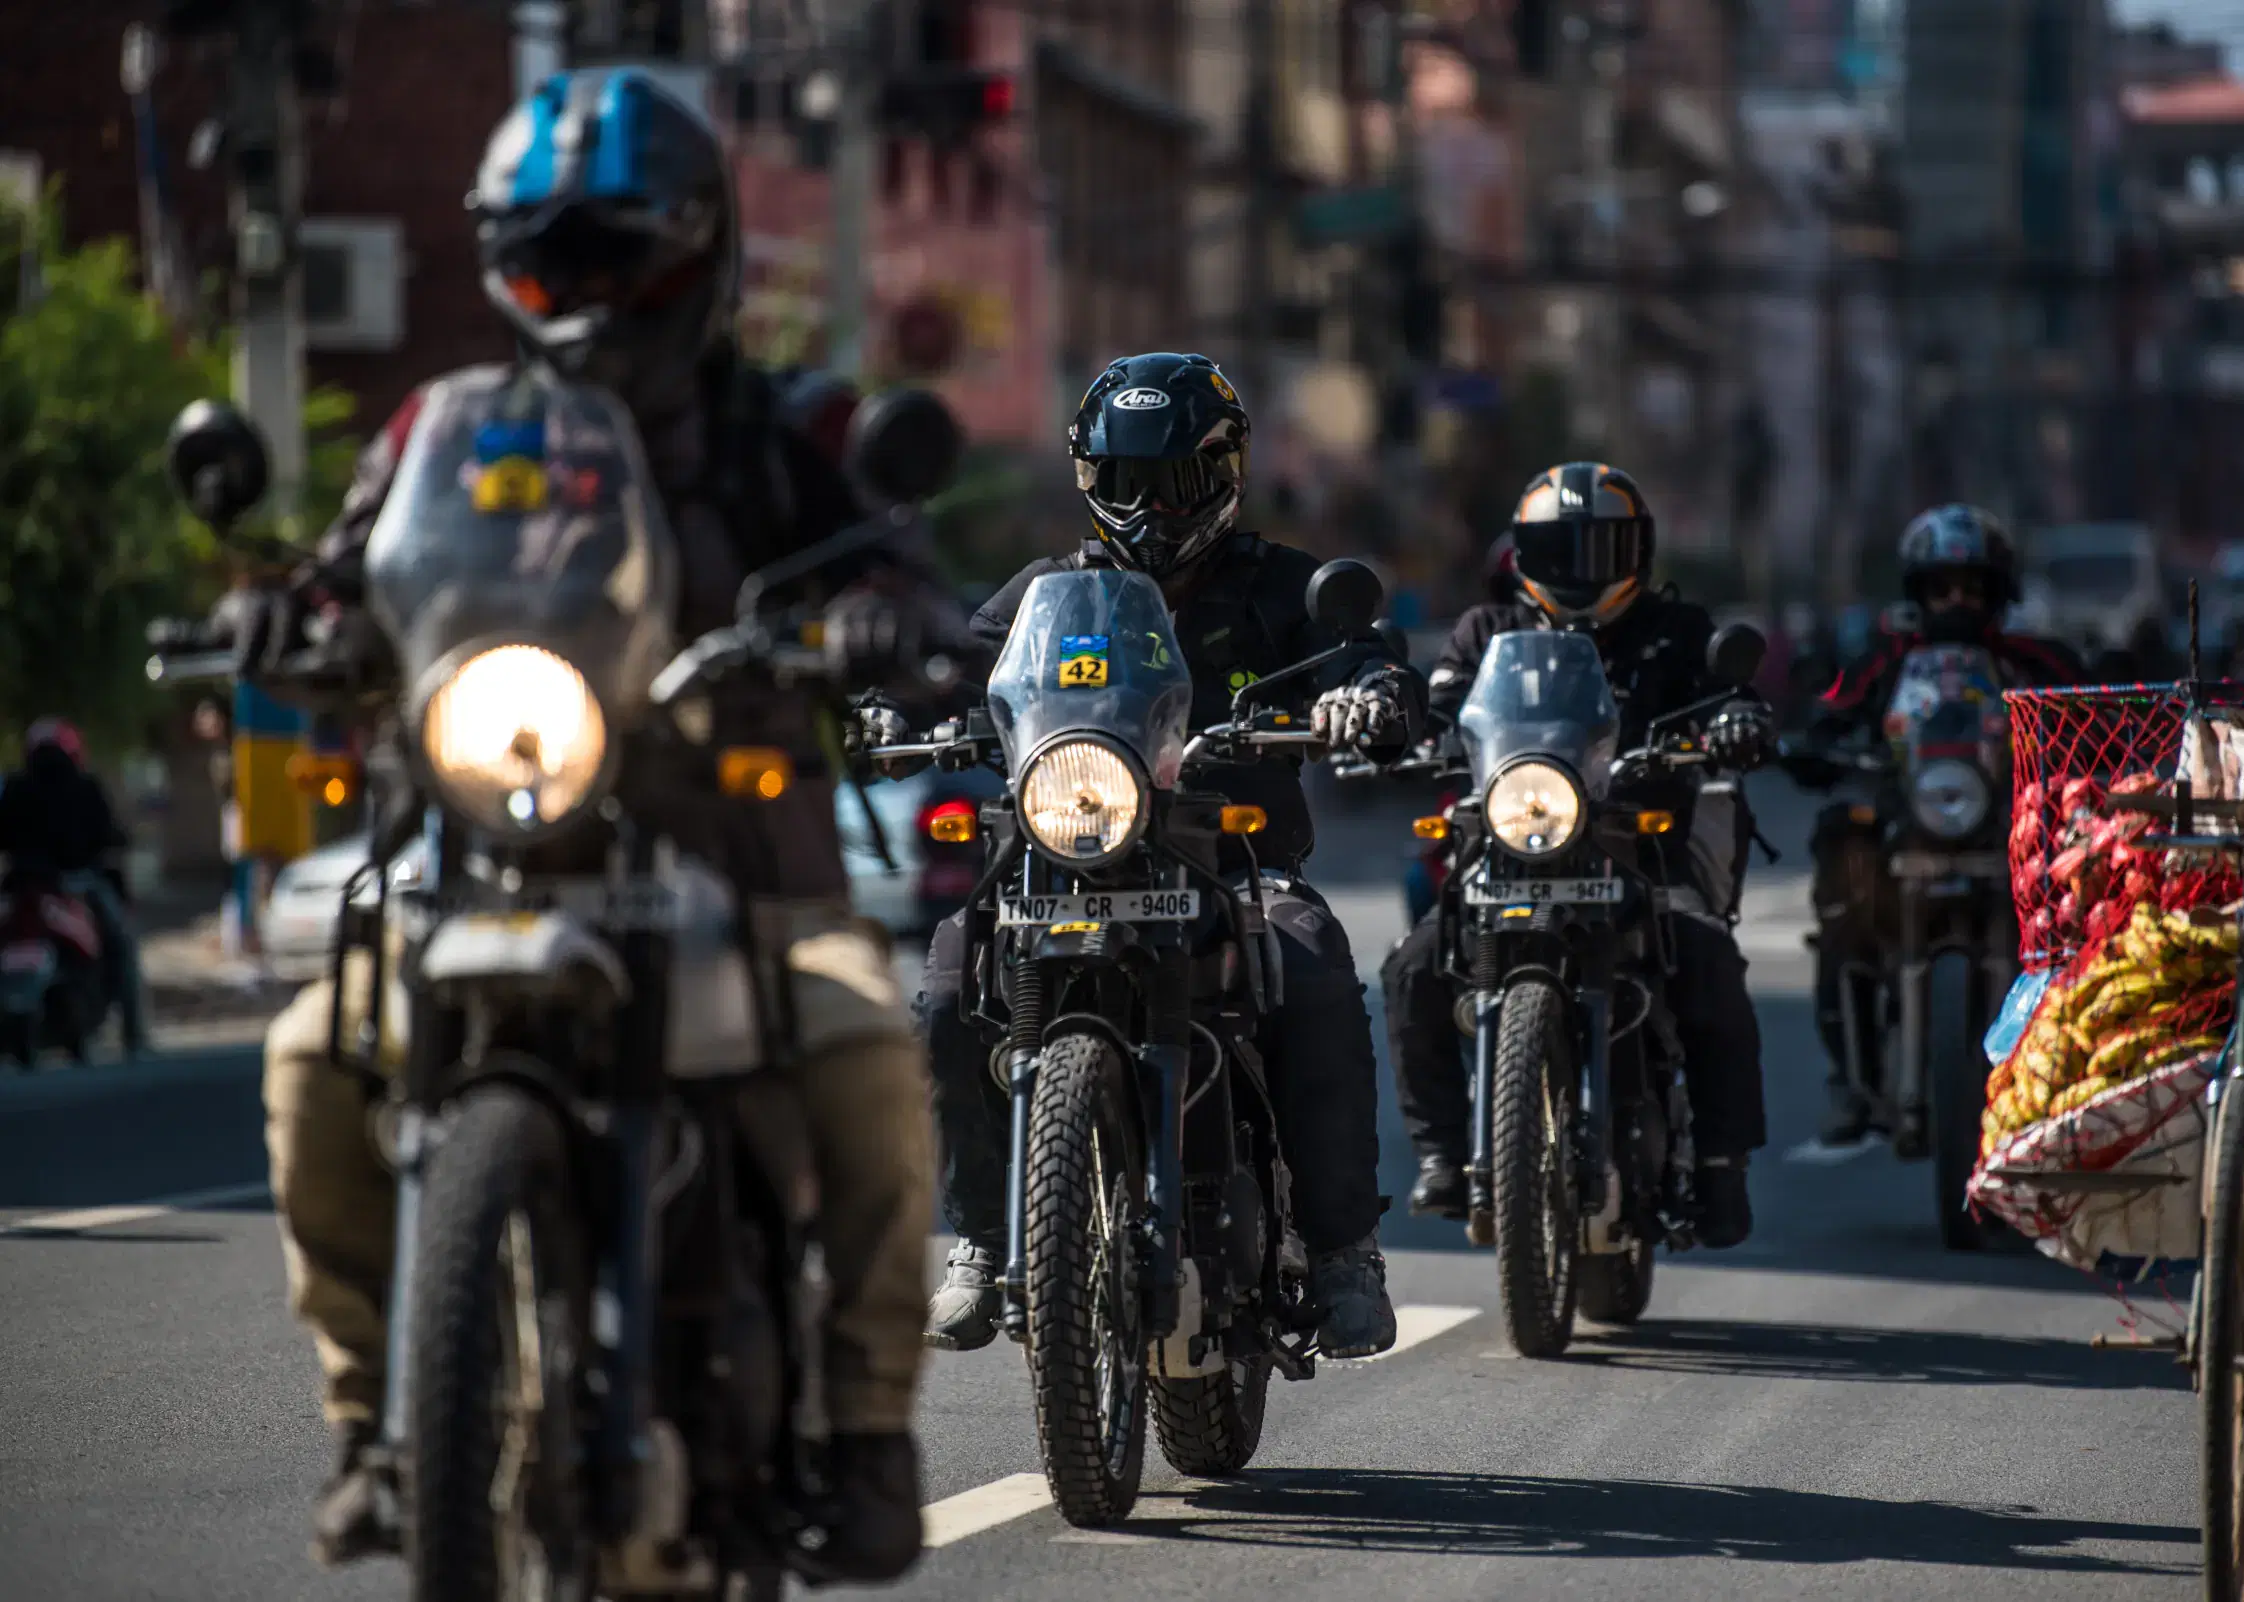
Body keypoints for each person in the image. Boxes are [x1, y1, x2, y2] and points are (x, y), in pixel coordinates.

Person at [223, 69, 960, 1580]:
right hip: (487, 844)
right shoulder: (449, 428)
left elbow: (890, 558)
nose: (592, 292)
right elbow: (358, 563)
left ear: (695, 253)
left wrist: (883, 614)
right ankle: (375, 1427)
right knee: (308, 1061)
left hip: (740, 867)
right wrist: (280, 610)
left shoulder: (775, 429)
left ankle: (872, 1428)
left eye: (621, 256)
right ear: (508, 264)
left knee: (873, 1055)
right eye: (556, 260)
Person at [909, 351, 1422, 1358]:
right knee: (941, 982)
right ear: (1089, 480)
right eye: (1124, 482)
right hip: (1066, 862)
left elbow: (1368, 658)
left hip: (1239, 869)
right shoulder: (1049, 594)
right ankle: (977, 1234)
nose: (1150, 506)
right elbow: (956, 665)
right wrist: (904, 693)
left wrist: (1372, 696)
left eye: (1175, 482)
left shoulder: (1284, 588)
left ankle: (1343, 1250)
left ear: (1224, 475)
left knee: (1314, 968)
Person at [1379, 463, 1776, 1249]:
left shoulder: (1678, 633)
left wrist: (1738, 721)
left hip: (1645, 858)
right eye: (1559, 550)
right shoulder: (1486, 633)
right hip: (1507, 851)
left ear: (1640, 552)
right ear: (1524, 553)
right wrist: (1405, 729)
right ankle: (1444, 1155)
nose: (1581, 569)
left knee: (1708, 961)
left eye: (1602, 549)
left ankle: (1724, 1165)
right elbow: (1442, 707)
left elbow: (1733, 699)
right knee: (1412, 968)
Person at [1784, 504, 2081, 1146]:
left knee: (2092, 884)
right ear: (1918, 593)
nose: (1956, 600)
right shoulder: (1884, 659)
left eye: (1971, 588)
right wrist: (1812, 739)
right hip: (1907, 822)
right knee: (1843, 849)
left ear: (1997, 594)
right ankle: (1851, 1078)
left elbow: (2090, 708)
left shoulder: (2037, 660)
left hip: (2014, 827)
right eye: (1941, 587)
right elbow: (1832, 708)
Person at [0, 718, 147, 1055]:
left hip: (31, 885)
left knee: (117, 939)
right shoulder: (83, 786)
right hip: (69, 884)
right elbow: (108, 833)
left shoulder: (17, 787)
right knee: (121, 944)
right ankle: (134, 1036)